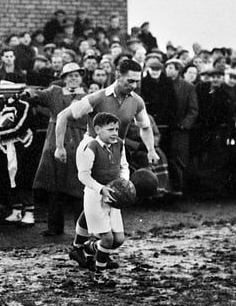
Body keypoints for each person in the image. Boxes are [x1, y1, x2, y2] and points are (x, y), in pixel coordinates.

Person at [55, 60, 158, 270]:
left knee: (111, 196)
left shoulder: (136, 101)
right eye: (130, 80)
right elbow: (62, 115)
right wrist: (60, 147)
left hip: (116, 149)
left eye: (137, 81)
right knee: (98, 195)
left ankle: (88, 247)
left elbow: (145, 127)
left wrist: (151, 149)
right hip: (92, 149)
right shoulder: (98, 97)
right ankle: (96, 246)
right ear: (117, 75)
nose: (134, 85)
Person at [31, 63, 87, 236]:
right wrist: (27, 92)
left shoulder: (89, 96)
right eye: (69, 76)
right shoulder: (54, 92)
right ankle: (54, 228)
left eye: (76, 75)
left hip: (78, 141)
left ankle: (82, 229)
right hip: (56, 142)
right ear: (63, 79)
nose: (73, 78)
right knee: (54, 187)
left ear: (81, 78)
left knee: (79, 187)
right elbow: (35, 95)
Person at [77, 112, 129, 286]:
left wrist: (124, 183)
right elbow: (83, 176)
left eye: (116, 129)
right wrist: (101, 189)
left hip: (114, 195)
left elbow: (124, 167)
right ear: (98, 130)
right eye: (110, 129)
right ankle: (99, 276)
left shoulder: (120, 144)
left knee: (119, 239)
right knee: (107, 239)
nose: (115, 133)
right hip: (95, 196)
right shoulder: (91, 147)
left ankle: (88, 247)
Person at [164, 59, 198, 194]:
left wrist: (185, 124)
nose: (168, 70)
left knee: (181, 158)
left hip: (181, 130)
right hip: (166, 129)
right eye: (167, 68)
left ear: (178, 70)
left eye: (171, 68)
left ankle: (181, 188)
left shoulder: (188, 87)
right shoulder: (163, 85)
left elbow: (193, 109)